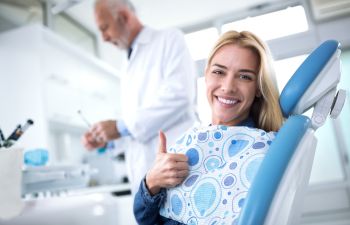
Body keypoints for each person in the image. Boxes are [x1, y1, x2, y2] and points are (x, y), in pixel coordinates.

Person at [133, 30, 284, 224]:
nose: (228, 87)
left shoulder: (264, 150)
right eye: (219, 72)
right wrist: (152, 182)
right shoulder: (190, 142)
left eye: (244, 76)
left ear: (258, 88)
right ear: (206, 76)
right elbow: (145, 219)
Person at [82, 0, 198, 194]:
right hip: (145, 179)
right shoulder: (127, 62)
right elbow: (138, 127)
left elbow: (180, 95)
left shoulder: (169, 39)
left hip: (175, 171)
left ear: (125, 17)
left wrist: (119, 127)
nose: (103, 38)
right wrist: (107, 138)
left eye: (105, 28)